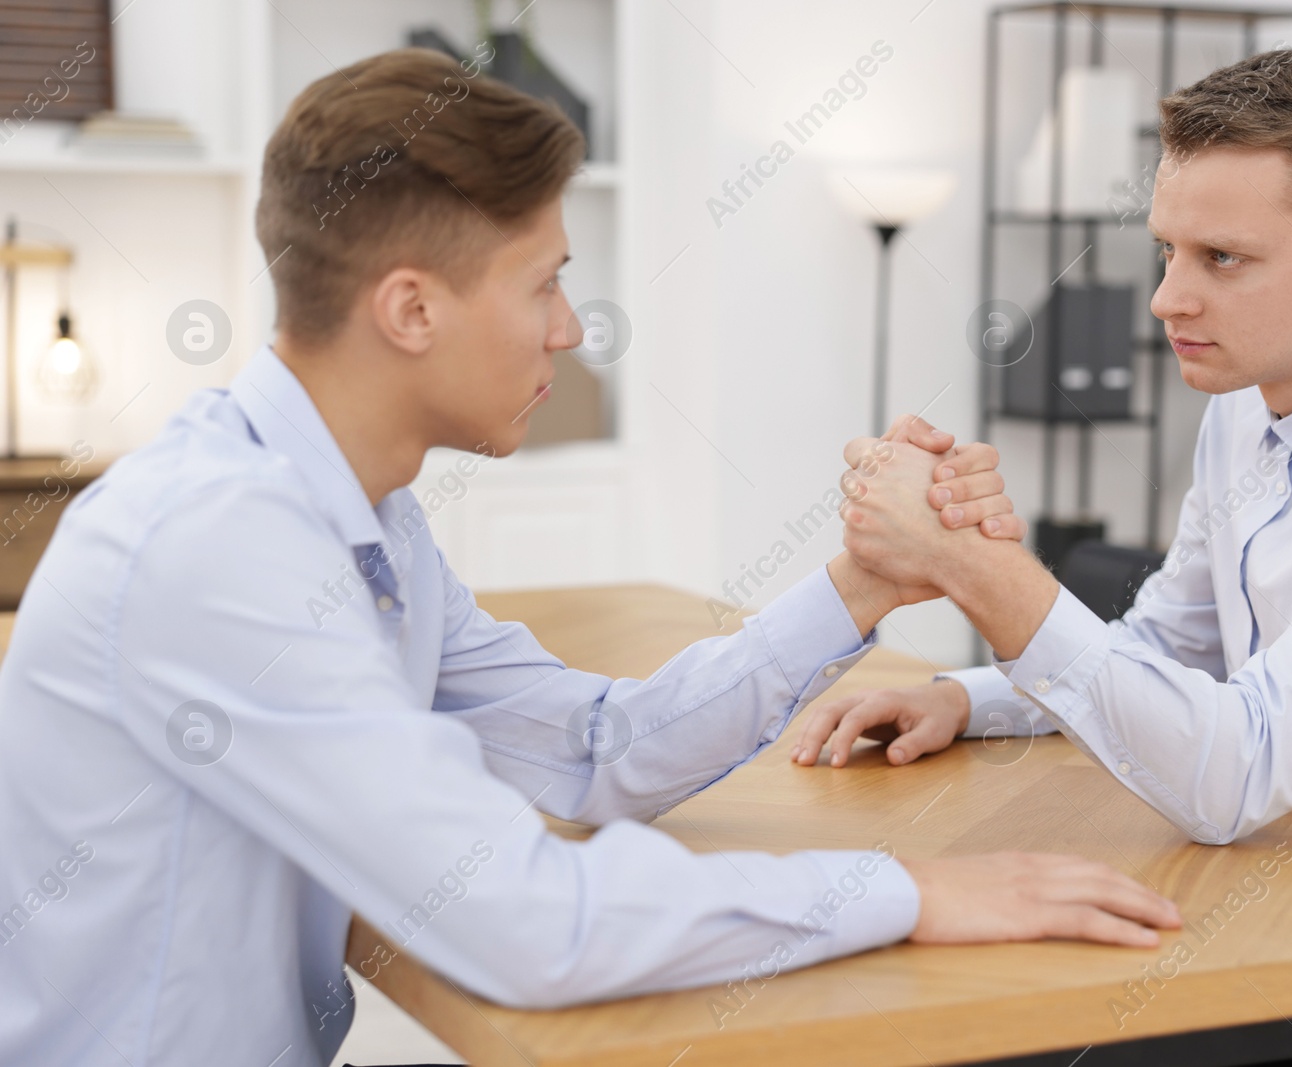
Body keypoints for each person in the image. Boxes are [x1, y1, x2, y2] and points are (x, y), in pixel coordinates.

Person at [0, 49, 1182, 1067]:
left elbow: (598, 748)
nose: (570, 326)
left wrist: (860, 585)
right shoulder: (221, 547)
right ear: (411, 310)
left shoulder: (363, 518)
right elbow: (519, 917)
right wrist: (907, 891)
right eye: (546, 280)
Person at [795, 47, 1292, 857]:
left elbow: (1239, 774)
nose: (1166, 299)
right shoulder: (1246, 404)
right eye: (1166, 251)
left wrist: (977, 570)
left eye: (1222, 257)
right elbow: (1173, 647)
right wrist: (969, 702)